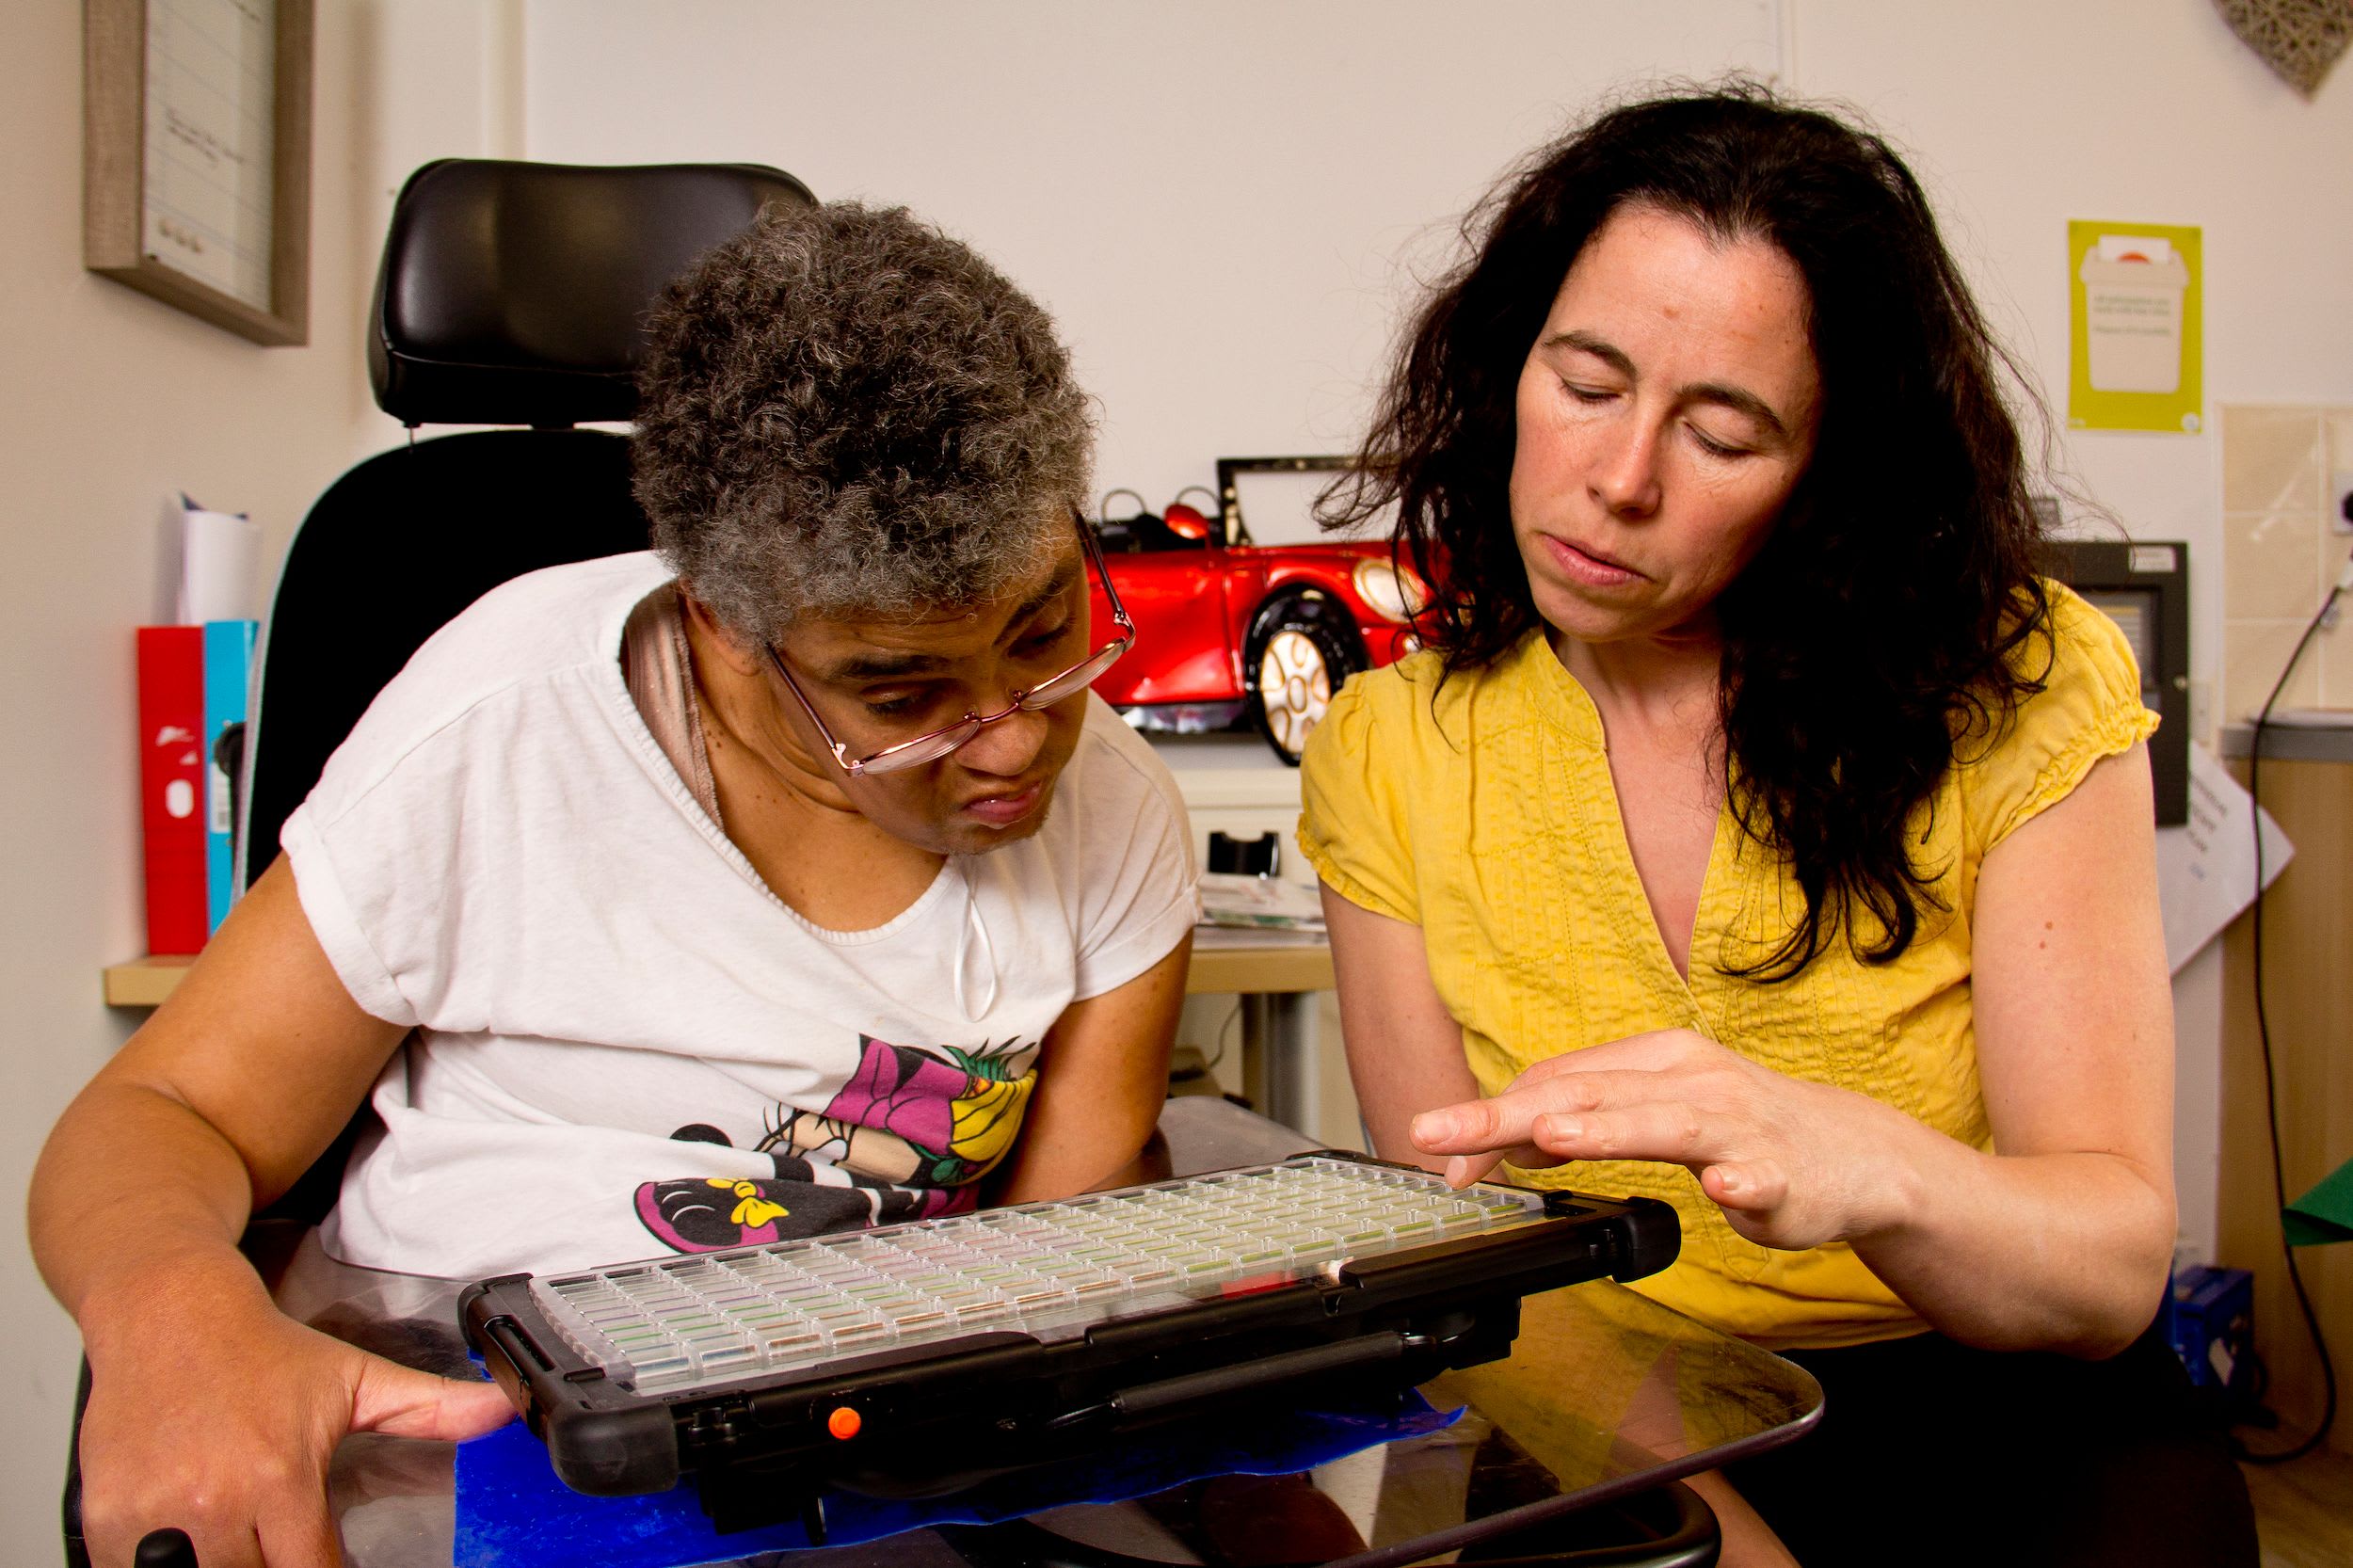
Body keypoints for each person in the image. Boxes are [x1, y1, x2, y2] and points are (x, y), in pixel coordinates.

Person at [32, 202, 1199, 1568]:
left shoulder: (1115, 813)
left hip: (861, 1456)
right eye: (902, 691)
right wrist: (174, 1320)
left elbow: (1050, 1266)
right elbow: (161, 1109)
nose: (1016, 736)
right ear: (721, 625)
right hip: (460, 1416)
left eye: (1046, 628)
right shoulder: (497, 724)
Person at [1300, 88, 2255, 1567]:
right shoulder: (1390, 748)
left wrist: (1860, 1158)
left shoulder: (2022, 683)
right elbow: (1471, 1262)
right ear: (1507, 367)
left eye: (1725, 432)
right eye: (1587, 380)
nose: (1620, 480)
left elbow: (2112, 1268)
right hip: (1611, 1394)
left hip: (2009, 1383)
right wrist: (1710, 1524)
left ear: (1827, 472)